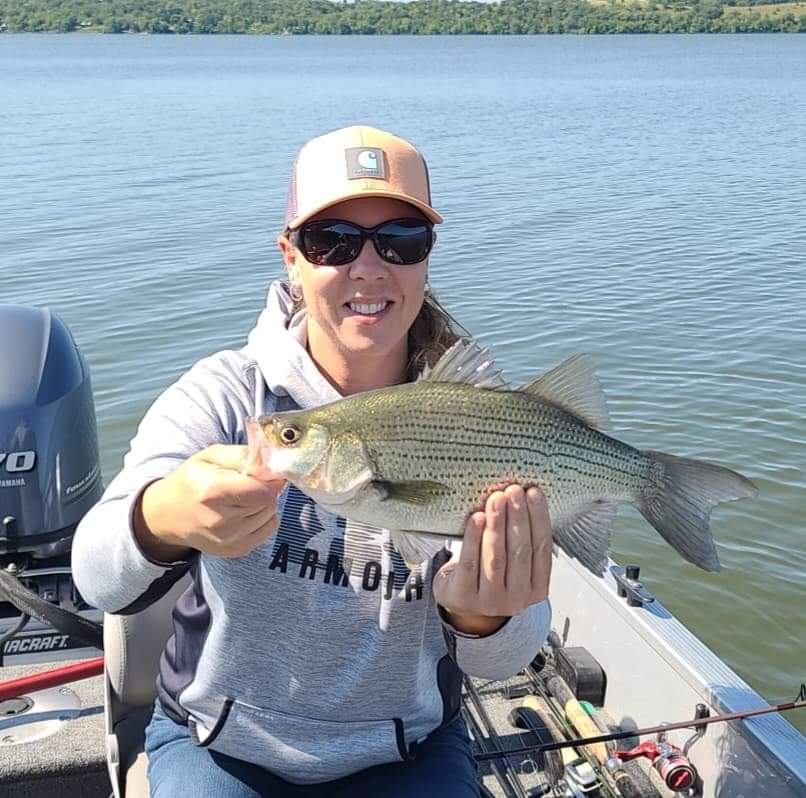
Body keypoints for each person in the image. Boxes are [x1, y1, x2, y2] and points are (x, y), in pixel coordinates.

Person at [72, 125, 554, 798]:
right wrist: (161, 516)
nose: (369, 267)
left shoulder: (475, 419)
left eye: (401, 240)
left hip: (407, 750)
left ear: (428, 257)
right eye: (332, 240)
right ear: (291, 257)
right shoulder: (227, 397)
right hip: (221, 745)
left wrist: (485, 618)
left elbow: (504, 659)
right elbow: (97, 579)